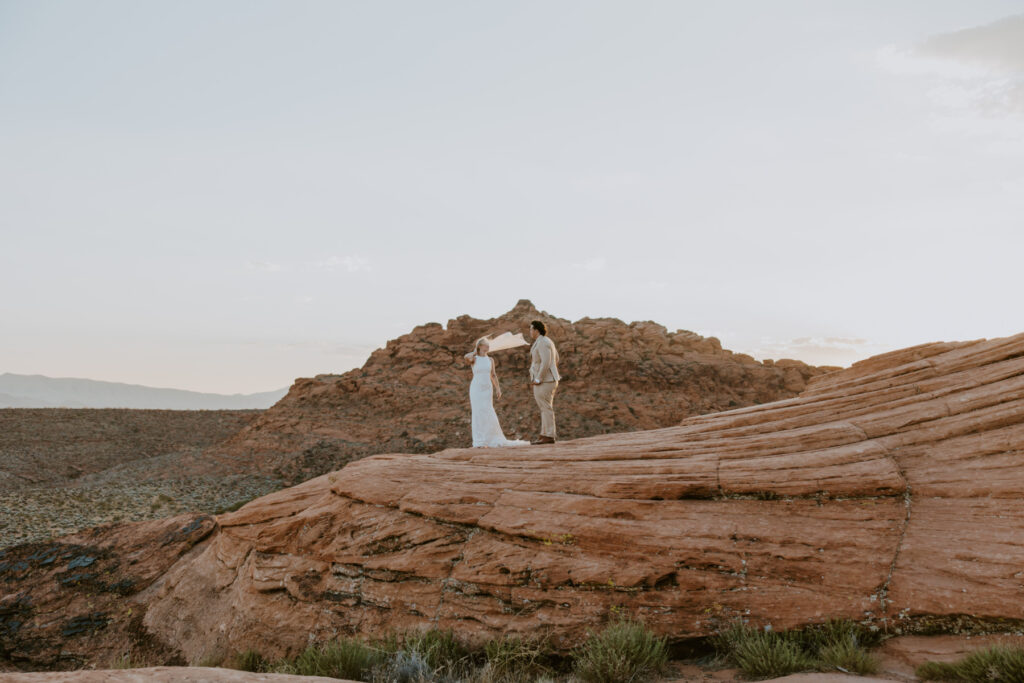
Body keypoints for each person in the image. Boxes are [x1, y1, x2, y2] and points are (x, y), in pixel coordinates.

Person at [465, 338, 528, 448]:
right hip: (476, 388)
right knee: (478, 412)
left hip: (487, 388)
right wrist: (475, 351)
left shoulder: (491, 360)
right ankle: (479, 441)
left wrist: (498, 388)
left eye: (488, 345)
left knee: (488, 411)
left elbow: (493, 375)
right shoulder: (474, 359)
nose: (488, 347)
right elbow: (466, 357)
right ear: (480, 346)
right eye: (486, 345)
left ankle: (490, 438)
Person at [528, 320, 560, 444]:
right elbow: (556, 358)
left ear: (536, 330)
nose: (530, 332)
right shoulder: (545, 341)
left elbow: (546, 361)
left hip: (545, 380)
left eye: (531, 329)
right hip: (547, 378)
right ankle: (544, 434)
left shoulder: (543, 342)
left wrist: (539, 378)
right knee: (544, 407)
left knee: (545, 407)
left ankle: (549, 435)